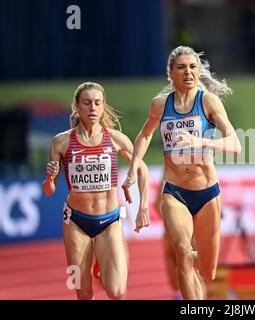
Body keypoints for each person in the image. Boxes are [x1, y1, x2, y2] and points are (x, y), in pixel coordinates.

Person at [124, 46, 241, 300]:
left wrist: (201, 142)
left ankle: (200, 259)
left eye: (192, 67)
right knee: (181, 251)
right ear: (170, 73)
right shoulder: (159, 105)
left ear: (198, 72)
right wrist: (133, 166)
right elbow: (145, 134)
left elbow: (235, 144)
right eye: (181, 67)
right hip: (174, 191)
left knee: (208, 271)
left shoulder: (208, 100)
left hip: (208, 192)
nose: (188, 72)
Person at [42, 82, 150, 300]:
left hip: (109, 221)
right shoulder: (60, 142)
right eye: (87, 103)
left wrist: (143, 207)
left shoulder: (116, 139)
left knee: (117, 291)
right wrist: (49, 178)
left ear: (103, 107)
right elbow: (48, 191)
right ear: (77, 107)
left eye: (97, 103)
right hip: (75, 222)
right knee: (83, 293)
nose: (92, 108)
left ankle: (101, 262)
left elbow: (142, 169)